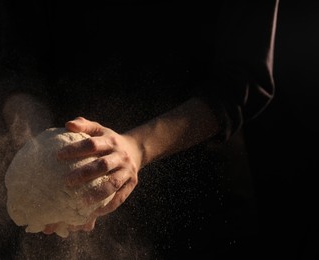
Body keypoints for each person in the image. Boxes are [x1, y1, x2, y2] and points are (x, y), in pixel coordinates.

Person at [41, 0, 280, 239]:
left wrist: (137, 146)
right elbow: (17, 53)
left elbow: (243, 80)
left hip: (198, 204)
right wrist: (35, 144)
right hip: (71, 189)